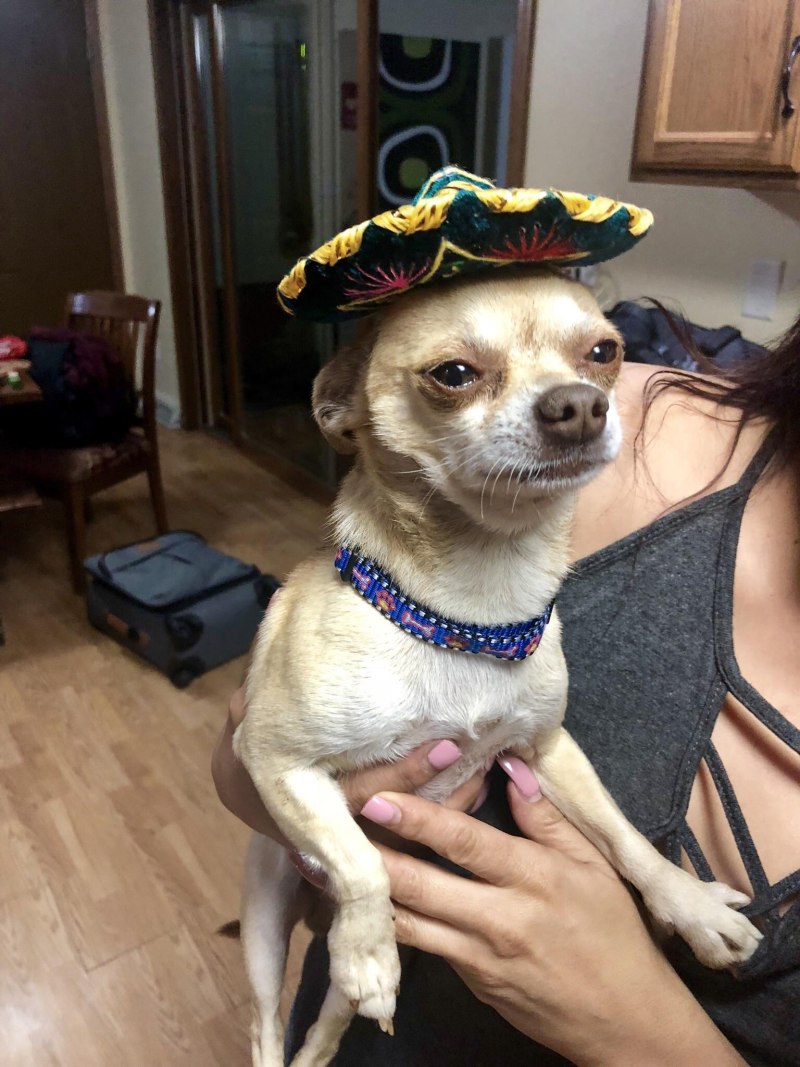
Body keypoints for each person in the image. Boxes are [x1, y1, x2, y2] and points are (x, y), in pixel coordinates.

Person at [212, 309, 800, 1066]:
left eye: (597, 355)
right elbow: (249, 749)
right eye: (457, 375)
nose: (574, 401)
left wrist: (649, 1031)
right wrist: (295, 815)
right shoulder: (629, 432)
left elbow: (543, 742)